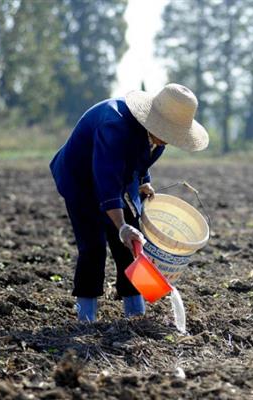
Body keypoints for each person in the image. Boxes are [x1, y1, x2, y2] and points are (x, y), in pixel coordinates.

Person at [50, 83, 208, 322]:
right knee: (93, 246)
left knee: (132, 245)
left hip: (114, 178)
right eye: (167, 132)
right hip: (79, 180)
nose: (169, 139)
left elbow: (140, 161)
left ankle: (135, 312)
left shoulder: (158, 137)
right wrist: (121, 225)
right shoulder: (113, 126)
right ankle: (86, 315)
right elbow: (106, 179)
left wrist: (144, 181)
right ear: (154, 120)